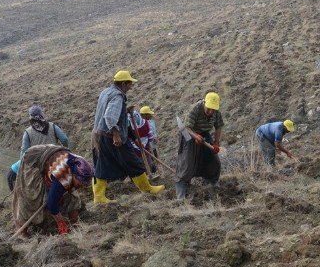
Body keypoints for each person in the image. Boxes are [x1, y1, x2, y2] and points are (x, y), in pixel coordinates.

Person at [92, 70, 164, 204]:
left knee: (103, 164)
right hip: (113, 137)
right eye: (130, 84)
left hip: (101, 134)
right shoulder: (118, 96)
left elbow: (108, 111)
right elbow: (109, 116)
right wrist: (116, 134)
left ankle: (98, 197)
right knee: (133, 162)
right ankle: (147, 189)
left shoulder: (106, 92)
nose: (131, 87)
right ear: (123, 83)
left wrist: (125, 111)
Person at [13, 144, 93, 236]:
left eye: (84, 184)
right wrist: (61, 222)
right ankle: (22, 232)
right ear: (73, 175)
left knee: (72, 198)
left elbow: (71, 189)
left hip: (52, 155)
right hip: (33, 159)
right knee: (31, 197)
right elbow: (51, 203)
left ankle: (76, 225)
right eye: (80, 182)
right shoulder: (63, 176)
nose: (82, 186)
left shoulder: (84, 166)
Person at [175, 92, 224, 200]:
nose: (211, 112)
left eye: (213, 110)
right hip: (189, 133)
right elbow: (187, 127)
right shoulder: (196, 108)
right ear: (205, 103)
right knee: (187, 162)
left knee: (214, 160)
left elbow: (218, 126)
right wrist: (196, 136)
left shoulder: (216, 112)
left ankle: (211, 183)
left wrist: (216, 142)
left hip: (204, 133)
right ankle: (181, 193)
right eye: (208, 109)